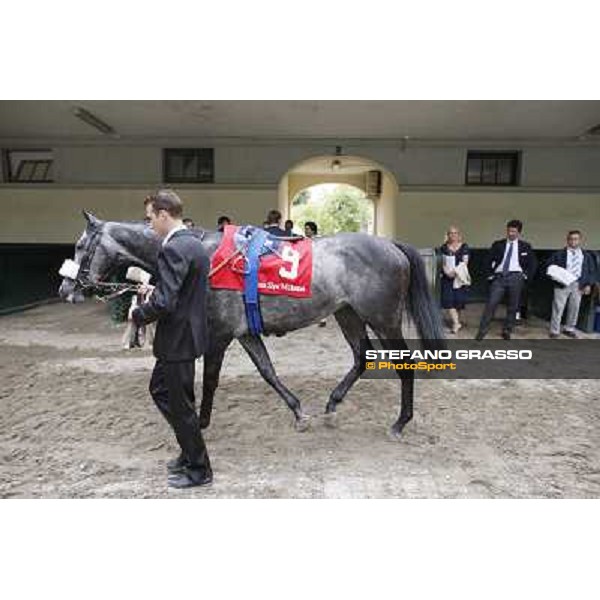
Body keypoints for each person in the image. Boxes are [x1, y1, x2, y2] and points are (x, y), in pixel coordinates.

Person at [131, 189, 212, 489]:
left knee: (181, 406)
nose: (149, 224)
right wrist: (155, 293)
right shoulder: (193, 243)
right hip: (184, 337)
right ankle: (189, 452)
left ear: (164, 215)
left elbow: (166, 302)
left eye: (151, 217)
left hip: (178, 339)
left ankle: (199, 468)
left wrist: (138, 314)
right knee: (161, 390)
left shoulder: (174, 248)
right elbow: (178, 292)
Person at [475, 219, 537, 340]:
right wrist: (490, 275)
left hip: (516, 277)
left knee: (513, 305)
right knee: (491, 303)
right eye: (509, 231)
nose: (511, 234)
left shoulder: (525, 246)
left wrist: (525, 276)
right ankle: (482, 331)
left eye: (514, 231)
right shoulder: (498, 244)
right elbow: (488, 260)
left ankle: (507, 330)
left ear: (519, 233)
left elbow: (533, 263)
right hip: (499, 277)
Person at [546, 230, 595, 338]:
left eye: (576, 239)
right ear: (567, 240)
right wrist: (555, 276)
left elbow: (591, 271)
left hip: (578, 284)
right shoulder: (559, 254)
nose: (573, 241)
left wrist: (588, 284)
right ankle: (554, 330)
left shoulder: (586, 255)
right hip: (562, 283)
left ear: (580, 240)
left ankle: (569, 328)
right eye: (571, 239)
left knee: (574, 307)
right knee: (558, 307)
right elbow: (549, 266)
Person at [439, 226, 470, 334]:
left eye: (455, 233)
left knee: (458, 301)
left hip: (460, 277)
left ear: (458, 234)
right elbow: (443, 263)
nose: (453, 235)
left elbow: (465, 262)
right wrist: (447, 272)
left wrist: (455, 272)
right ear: (448, 235)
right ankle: (456, 323)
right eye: (450, 233)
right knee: (448, 301)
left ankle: (456, 321)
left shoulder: (464, 246)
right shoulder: (444, 247)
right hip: (447, 278)